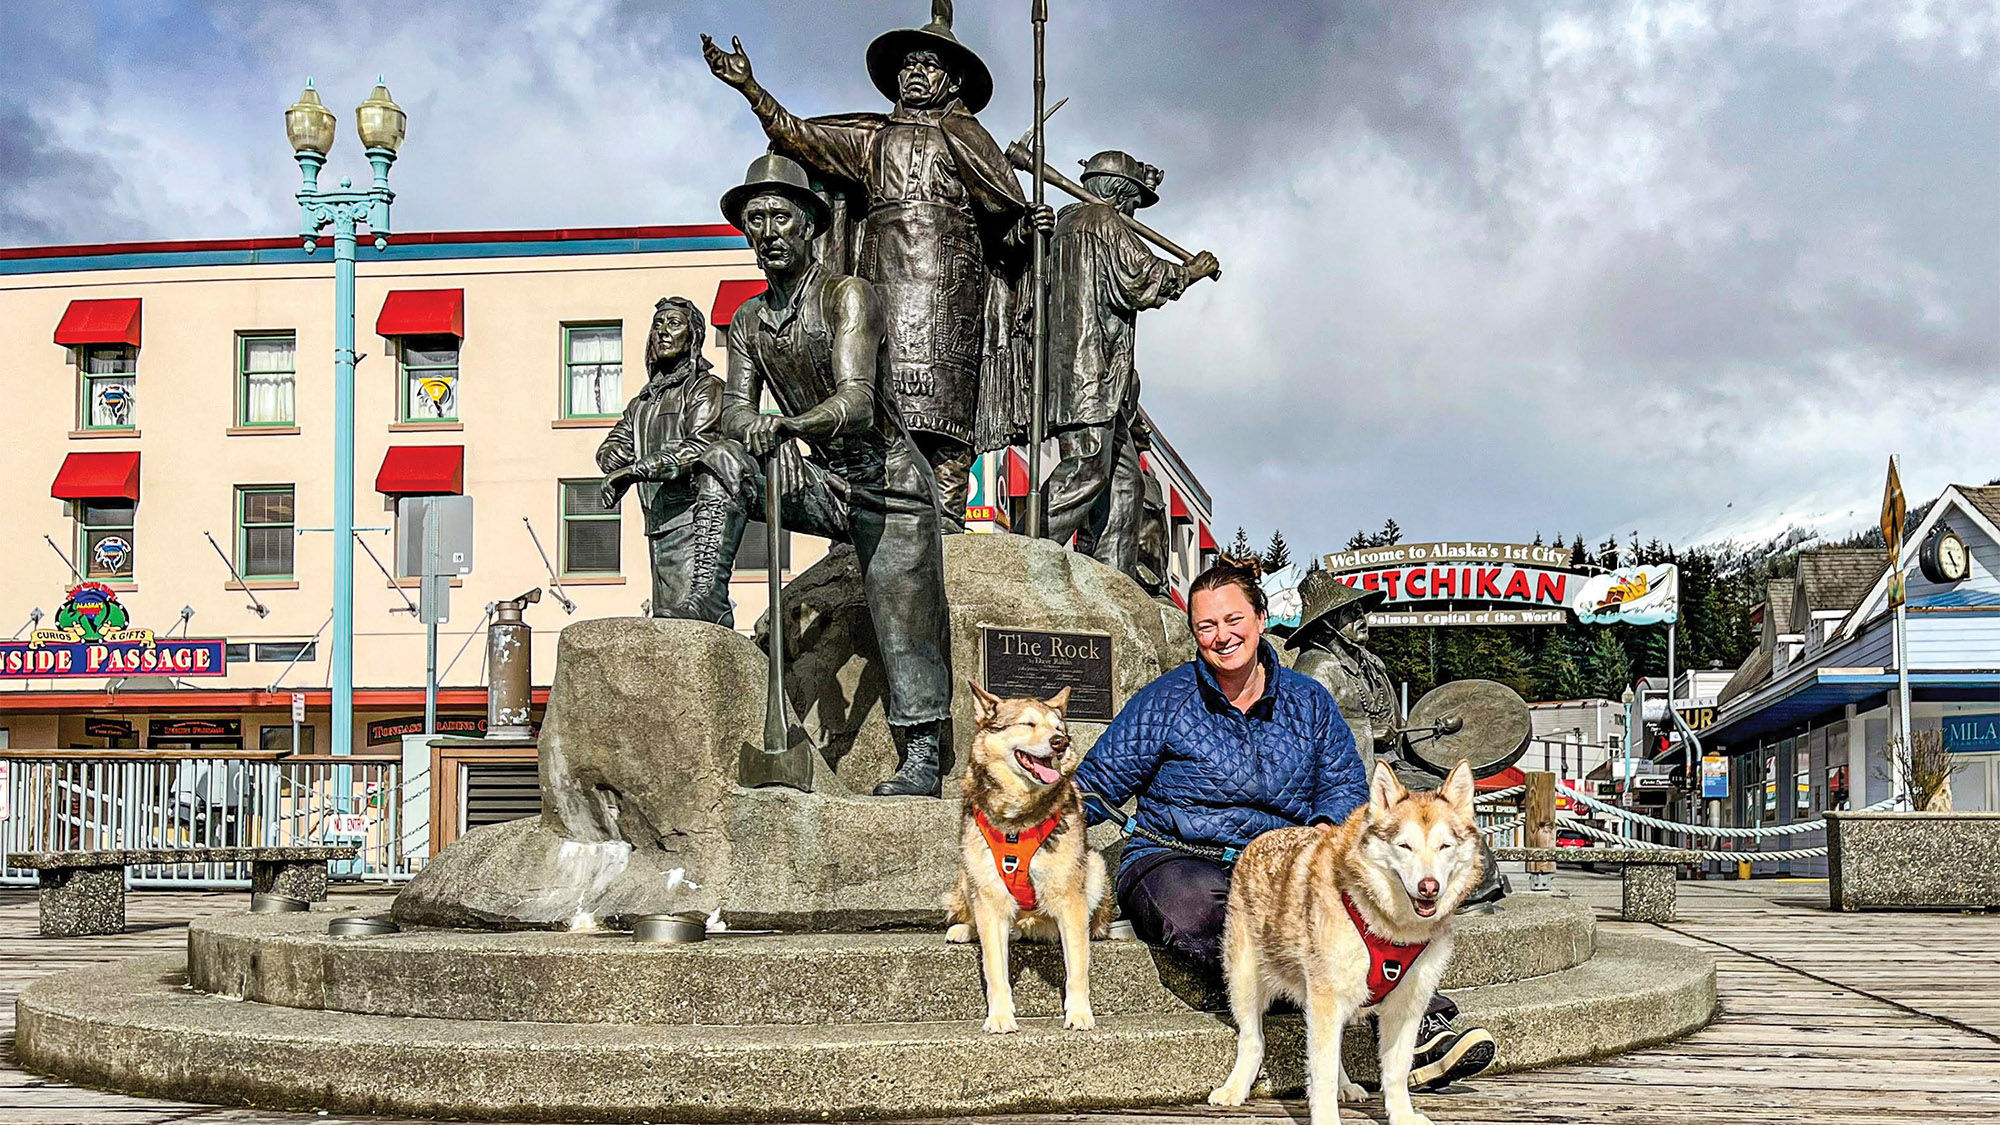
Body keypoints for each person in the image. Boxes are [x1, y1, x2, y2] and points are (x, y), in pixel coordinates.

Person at [1076, 557, 1496, 1090]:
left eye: (1234, 620)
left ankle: (1422, 1023)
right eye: (1206, 626)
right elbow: (1097, 783)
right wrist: (1026, 815)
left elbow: (1345, 792)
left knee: (1357, 911)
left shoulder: (1309, 701)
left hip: (1287, 859)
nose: (1222, 636)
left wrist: (1317, 845)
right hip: (1179, 854)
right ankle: (1321, 1011)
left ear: (1260, 618)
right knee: (1199, 908)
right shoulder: (1165, 701)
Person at [702, 1, 1052, 531]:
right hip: (884, 286)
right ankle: (874, 522)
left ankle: (946, 529)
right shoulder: (873, 139)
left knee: (948, 423)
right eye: (908, 64)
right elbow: (802, 138)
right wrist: (751, 89)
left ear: (953, 79)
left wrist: (1030, 227)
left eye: (928, 65)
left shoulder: (972, 138)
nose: (914, 72)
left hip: (952, 291)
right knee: (881, 406)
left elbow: (1005, 220)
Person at [697, 154, 955, 798]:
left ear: (809, 223)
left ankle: (922, 751)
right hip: (824, 480)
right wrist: (750, 430)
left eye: (780, 216)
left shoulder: (847, 295)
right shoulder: (751, 320)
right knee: (725, 463)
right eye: (754, 220)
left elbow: (858, 400)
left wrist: (786, 429)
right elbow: (734, 406)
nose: (767, 231)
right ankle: (704, 605)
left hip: (888, 483)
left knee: (902, 615)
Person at [1038, 150, 1218, 580]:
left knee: (1125, 482)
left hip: (1097, 379)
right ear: (1120, 192)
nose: (1136, 210)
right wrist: (1191, 271)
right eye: (1136, 199)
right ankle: (1030, 546)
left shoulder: (1065, 226)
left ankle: (1112, 581)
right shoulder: (1102, 223)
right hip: (1090, 371)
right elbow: (1143, 279)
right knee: (1087, 467)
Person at [595, 297, 736, 626]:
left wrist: (636, 470)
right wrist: (611, 458)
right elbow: (615, 445)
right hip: (658, 525)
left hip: (694, 521)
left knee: (697, 617)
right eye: (657, 325)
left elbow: (701, 447)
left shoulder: (705, 389)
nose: (663, 332)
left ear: (694, 337)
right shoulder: (642, 403)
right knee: (669, 621)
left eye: (674, 324)